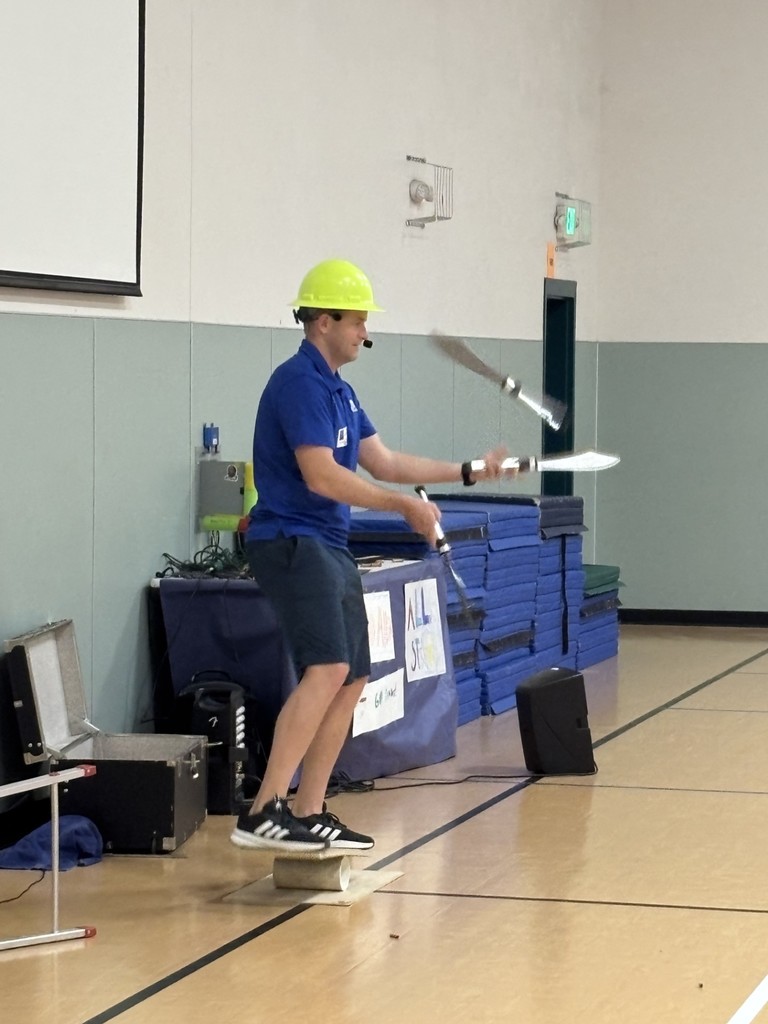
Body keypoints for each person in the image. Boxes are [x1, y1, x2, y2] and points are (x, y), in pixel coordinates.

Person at [230, 259, 513, 853]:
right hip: (290, 540)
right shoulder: (298, 384)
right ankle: (264, 810)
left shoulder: (340, 389)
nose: (365, 332)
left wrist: (466, 471)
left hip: (328, 544)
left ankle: (308, 808)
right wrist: (402, 508)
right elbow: (321, 476)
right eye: (358, 321)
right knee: (327, 669)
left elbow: (384, 463)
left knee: (353, 676)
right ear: (324, 320)